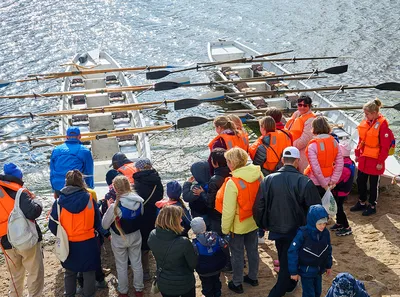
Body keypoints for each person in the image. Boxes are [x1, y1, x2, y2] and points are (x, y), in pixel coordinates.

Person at [253, 146, 321, 297]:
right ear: (297, 161)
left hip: (277, 229)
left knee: (285, 257)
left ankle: (290, 285)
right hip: (298, 230)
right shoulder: (304, 181)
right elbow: (316, 210)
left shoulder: (268, 180)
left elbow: (259, 206)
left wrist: (263, 224)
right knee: (288, 264)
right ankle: (278, 291)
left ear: (283, 160)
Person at [48, 170, 101, 297]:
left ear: (66, 182)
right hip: (88, 242)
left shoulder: (58, 202)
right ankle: (88, 294)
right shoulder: (89, 198)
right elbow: (97, 222)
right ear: (81, 182)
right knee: (89, 271)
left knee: (69, 272)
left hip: (68, 243)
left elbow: (52, 224)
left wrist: (62, 236)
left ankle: (69, 294)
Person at [219, 147, 261, 294]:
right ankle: (253, 277)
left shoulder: (233, 183)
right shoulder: (258, 175)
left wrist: (225, 229)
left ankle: (237, 282)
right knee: (253, 250)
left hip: (238, 225)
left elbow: (228, 211)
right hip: (254, 221)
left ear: (232, 163)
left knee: (237, 255)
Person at [0, 163, 44, 297]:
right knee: (34, 272)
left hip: (5, 241)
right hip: (26, 239)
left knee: (16, 274)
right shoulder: (20, 192)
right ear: (18, 177)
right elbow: (33, 212)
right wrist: (38, 202)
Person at [102, 175, 144, 297]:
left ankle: (123, 291)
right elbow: (140, 215)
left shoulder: (115, 206)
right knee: (137, 263)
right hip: (136, 234)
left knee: (121, 265)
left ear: (115, 189)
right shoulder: (139, 201)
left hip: (119, 237)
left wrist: (108, 207)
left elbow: (104, 225)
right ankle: (139, 289)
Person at [351, 98, 393, 216]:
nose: (365, 116)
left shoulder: (382, 126)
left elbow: (385, 147)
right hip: (364, 158)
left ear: (374, 113)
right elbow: (361, 140)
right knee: (361, 180)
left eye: (367, 114)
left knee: (374, 184)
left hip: (375, 159)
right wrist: (358, 154)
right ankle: (362, 201)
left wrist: (381, 161)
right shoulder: (367, 123)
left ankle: (372, 205)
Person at [148, 205, 197, 297]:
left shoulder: (152, 235)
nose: (181, 220)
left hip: (164, 283)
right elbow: (193, 264)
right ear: (173, 222)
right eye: (179, 218)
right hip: (184, 284)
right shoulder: (183, 242)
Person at [288, 205, 333, 297]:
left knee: (318, 292)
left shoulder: (325, 233)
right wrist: (293, 271)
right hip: (306, 270)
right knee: (309, 294)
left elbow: (328, 249)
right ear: (313, 222)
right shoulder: (303, 234)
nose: (322, 226)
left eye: (324, 223)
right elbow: (293, 251)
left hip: (319, 269)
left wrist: (328, 265)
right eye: (319, 224)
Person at [133, 158, 164, 281]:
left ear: (139, 168)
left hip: (142, 216)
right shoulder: (157, 180)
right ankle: (160, 269)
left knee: (144, 246)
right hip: (156, 215)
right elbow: (160, 195)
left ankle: (145, 272)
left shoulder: (138, 182)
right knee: (158, 244)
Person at [304, 116, 344, 197]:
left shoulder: (313, 145)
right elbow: (340, 163)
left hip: (315, 182)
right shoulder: (334, 142)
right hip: (330, 180)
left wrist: (324, 185)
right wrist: (333, 181)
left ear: (314, 128)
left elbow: (315, 168)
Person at [50, 126, 94, 196]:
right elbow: (89, 173)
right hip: (76, 188)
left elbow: (52, 172)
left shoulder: (56, 150)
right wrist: (90, 189)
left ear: (67, 137)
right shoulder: (85, 151)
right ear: (79, 136)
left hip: (58, 187)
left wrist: (54, 189)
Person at [191, 217, 228, 297]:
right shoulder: (215, 236)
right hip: (217, 266)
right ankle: (218, 294)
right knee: (216, 282)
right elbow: (224, 245)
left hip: (204, 270)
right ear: (204, 226)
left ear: (193, 230)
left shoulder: (194, 244)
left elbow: (193, 257)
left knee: (206, 285)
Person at [285, 96, 316, 172]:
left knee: (302, 173)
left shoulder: (311, 120)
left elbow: (305, 139)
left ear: (309, 106)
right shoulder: (296, 114)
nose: (302, 107)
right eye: (300, 105)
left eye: (305, 105)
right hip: (291, 148)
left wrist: (291, 147)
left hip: (302, 153)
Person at [330, 142, 355, 236]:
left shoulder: (344, 168)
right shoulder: (349, 162)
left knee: (339, 209)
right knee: (337, 208)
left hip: (341, 191)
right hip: (341, 190)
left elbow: (336, 179)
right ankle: (339, 223)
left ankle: (346, 227)